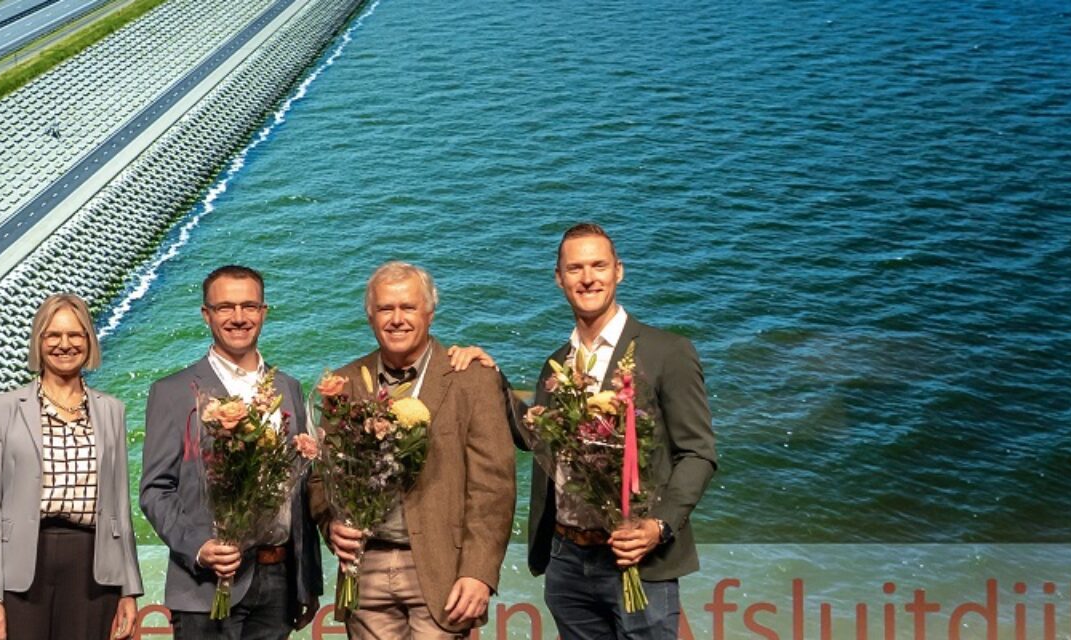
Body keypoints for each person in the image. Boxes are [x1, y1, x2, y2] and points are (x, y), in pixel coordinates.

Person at [448, 223, 717, 639]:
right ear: (559, 278)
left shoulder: (667, 353)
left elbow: (698, 453)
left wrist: (658, 526)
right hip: (567, 561)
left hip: (636, 560)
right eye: (575, 268)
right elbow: (537, 438)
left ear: (618, 271)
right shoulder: (557, 364)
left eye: (598, 266)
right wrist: (492, 379)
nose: (588, 278)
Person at [314, 261, 515, 639]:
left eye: (408, 307)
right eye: (385, 309)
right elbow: (320, 476)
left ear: (430, 313)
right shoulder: (344, 384)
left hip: (444, 570)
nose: (396, 319)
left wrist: (479, 572)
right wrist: (332, 525)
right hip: (365, 569)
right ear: (370, 317)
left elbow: (493, 486)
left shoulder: (472, 379)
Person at [139, 265, 324, 639]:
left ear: (263, 312)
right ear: (206, 314)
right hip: (206, 585)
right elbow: (156, 490)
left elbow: (302, 489)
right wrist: (199, 547)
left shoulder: (288, 387)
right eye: (225, 307)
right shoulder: (173, 392)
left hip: (279, 582)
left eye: (249, 306)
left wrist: (308, 581)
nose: (238, 318)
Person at [0, 294, 141, 640]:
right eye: (53, 335)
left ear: (89, 341)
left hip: (93, 566)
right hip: (21, 566)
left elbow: (120, 507)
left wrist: (129, 589)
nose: (65, 344)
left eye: (75, 334)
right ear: (39, 341)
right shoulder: (1, 409)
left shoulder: (112, 410)